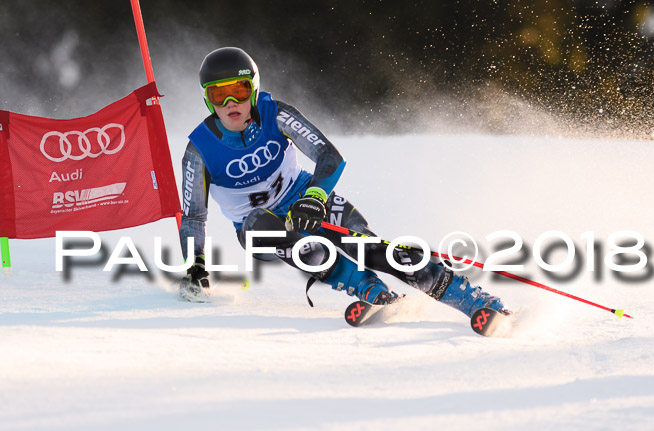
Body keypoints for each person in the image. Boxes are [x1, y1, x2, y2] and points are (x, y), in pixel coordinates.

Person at [178, 46, 509, 319]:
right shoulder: (200, 150)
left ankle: (473, 301)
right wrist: (196, 268)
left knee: (372, 248)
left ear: (253, 88)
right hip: (258, 227)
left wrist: (314, 197)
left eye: (238, 90)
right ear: (208, 100)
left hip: (305, 199)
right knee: (265, 228)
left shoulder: (275, 114)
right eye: (218, 95)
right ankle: (362, 284)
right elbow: (194, 216)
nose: (230, 103)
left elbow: (329, 156)